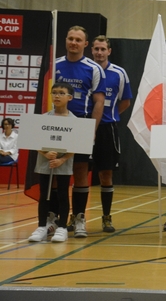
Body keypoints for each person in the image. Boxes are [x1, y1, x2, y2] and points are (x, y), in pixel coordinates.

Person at [56, 26, 106, 238]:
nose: (73, 43)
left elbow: (99, 102)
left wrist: (92, 129)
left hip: (81, 124)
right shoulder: (55, 64)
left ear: (85, 44)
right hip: (56, 123)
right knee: (55, 171)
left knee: (80, 171)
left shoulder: (93, 69)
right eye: (71, 38)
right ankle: (54, 219)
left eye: (78, 40)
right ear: (66, 40)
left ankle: (79, 218)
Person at [91, 35, 132, 233]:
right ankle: (76, 216)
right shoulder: (87, 70)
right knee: (79, 171)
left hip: (108, 128)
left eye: (103, 49)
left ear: (109, 51)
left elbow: (125, 101)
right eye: (96, 49)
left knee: (106, 174)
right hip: (84, 127)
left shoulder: (119, 73)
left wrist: (111, 115)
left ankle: (106, 217)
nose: (99, 52)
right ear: (91, 50)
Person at [28, 82, 76, 243]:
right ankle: (42, 226)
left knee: (63, 193)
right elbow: (34, 140)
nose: (57, 96)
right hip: (45, 161)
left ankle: (62, 227)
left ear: (70, 97)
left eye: (61, 93)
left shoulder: (75, 121)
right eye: (54, 92)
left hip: (63, 163)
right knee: (44, 194)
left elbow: (77, 145)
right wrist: (45, 153)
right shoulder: (43, 119)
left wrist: (62, 159)